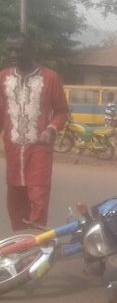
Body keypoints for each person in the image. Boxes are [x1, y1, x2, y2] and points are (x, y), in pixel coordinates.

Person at [1, 33, 69, 230]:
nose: (13, 54)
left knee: (38, 197)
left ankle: (35, 245)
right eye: (10, 50)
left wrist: (51, 128)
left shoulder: (49, 77)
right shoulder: (3, 77)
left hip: (39, 149)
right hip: (13, 150)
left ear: (31, 50)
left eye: (18, 50)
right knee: (15, 198)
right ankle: (19, 243)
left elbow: (62, 111)